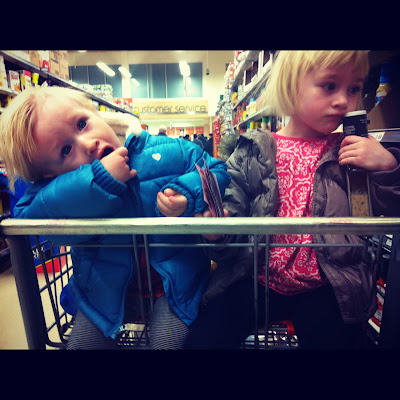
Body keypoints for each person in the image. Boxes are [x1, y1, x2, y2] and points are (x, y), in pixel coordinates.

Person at [184, 50, 400, 350]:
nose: (343, 100)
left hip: (327, 284)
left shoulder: (352, 150)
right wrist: (217, 230)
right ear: (290, 85)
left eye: (354, 88)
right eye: (329, 86)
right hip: (255, 276)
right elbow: (234, 207)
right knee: (204, 337)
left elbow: (384, 210)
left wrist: (388, 168)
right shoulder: (253, 150)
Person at [0, 86, 231, 350]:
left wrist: (187, 193)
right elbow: (28, 215)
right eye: (65, 150)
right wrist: (99, 179)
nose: (88, 144)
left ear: (97, 114)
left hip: (175, 290)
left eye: (82, 123)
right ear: (50, 177)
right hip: (103, 294)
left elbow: (215, 168)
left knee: (168, 344)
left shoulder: (167, 150)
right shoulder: (56, 191)